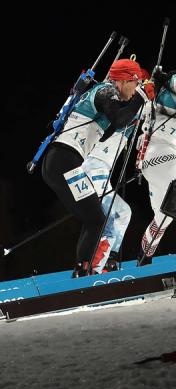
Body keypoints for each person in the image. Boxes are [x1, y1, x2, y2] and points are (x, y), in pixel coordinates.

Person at [41, 58, 148, 276]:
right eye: (135, 85)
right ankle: (83, 272)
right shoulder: (104, 91)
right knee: (97, 219)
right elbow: (118, 120)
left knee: (95, 219)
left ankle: (83, 271)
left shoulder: (109, 95)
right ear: (125, 80)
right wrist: (142, 98)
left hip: (65, 163)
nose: (136, 90)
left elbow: (118, 124)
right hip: (63, 160)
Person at [138, 66, 176, 264]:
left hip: (159, 161)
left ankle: (144, 261)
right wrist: (164, 78)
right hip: (161, 154)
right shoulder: (173, 81)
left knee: (163, 217)